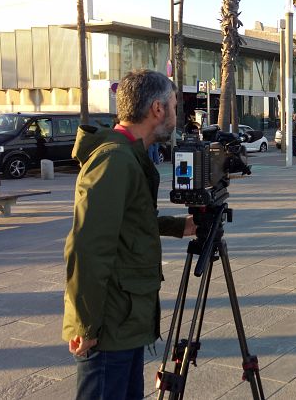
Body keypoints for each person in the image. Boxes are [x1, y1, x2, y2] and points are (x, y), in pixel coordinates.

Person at [63, 70, 196, 399]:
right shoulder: (114, 160)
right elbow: (88, 247)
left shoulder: (129, 155)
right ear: (157, 109)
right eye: (175, 107)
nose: (177, 116)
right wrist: (85, 325)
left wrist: (179, 227)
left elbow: (129, 222)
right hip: (109, 328)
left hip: (127, 321)